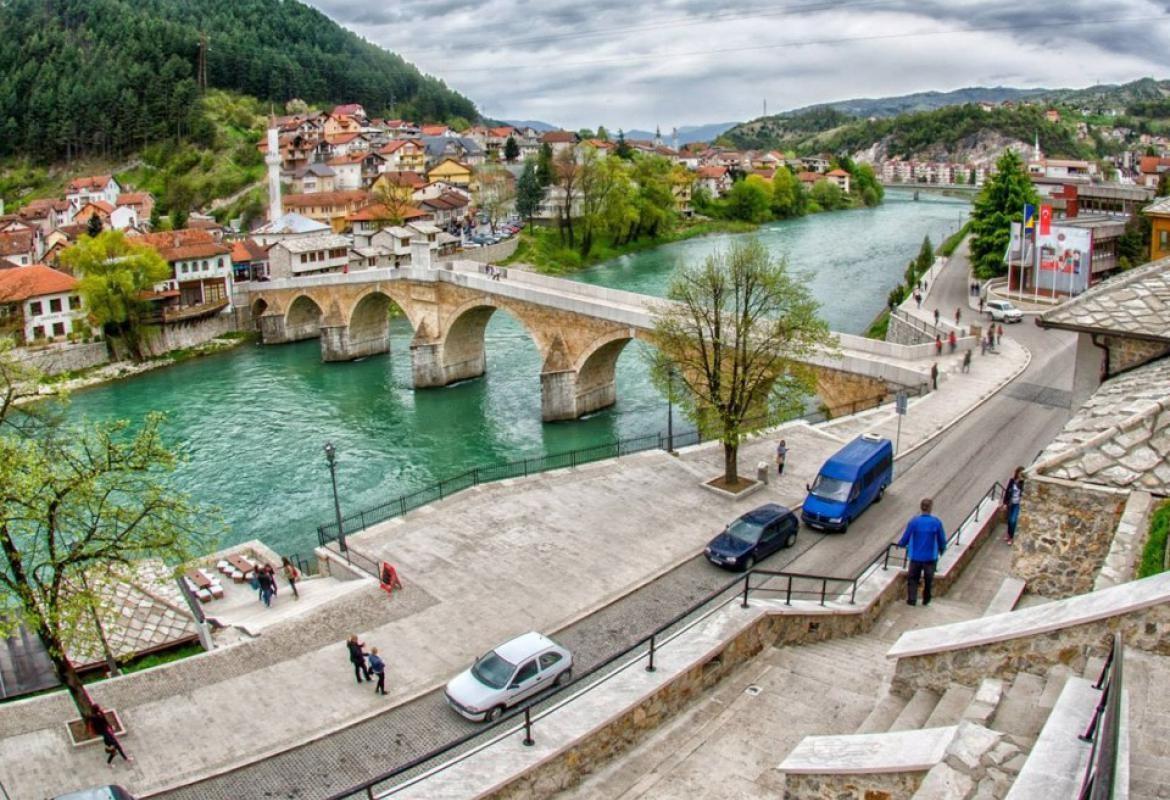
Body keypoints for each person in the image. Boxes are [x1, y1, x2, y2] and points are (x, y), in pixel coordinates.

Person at [898, 498, 948, 606]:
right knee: (928, 580)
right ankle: (926, 599)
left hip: (915, 557)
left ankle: (912, 599)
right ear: (930, 508)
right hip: (930, 557)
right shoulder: (936, 522)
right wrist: (942, 549)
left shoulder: (914, 521)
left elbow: (906, 537)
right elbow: (941, 539)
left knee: (913, 578)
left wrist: (900, 544)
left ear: (921, 508)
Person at [1003, 466, 1025, 543]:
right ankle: (1008, 534)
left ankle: (1011, 537)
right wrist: (1005, 503)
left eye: (1022, 474)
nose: (1020, 475)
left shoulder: (1024, 483)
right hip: (1010, 503)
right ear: (1017, 473)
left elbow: (1024, 493)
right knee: (1009, 520)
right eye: (1020, 473)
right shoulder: (1012, 481)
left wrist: (1021, 482)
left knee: (1013, 520)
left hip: (1017, 504)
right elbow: (1007, 492)